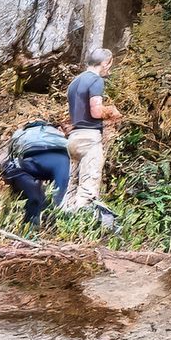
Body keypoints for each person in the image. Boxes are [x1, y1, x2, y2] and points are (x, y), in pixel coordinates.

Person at [65, 47, 120, 219]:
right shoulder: (96, 80)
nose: (109, 69)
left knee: (71, 185)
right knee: (88, 186)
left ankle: (64, 219)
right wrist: (111, 112)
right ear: (105, 63)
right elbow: (95, 111)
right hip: (89, 139)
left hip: (73, 138)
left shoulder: (74, 82)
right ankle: (82, 223)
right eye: (110, 64)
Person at [0, 120, 70, 230]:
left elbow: (12, 155)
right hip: (61, 160)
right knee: (60, 193)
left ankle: (33, 216)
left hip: (34, 159)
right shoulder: (55, 131)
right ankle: (58, 221)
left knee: (12, 168)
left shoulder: (20, 132)